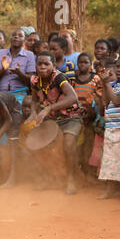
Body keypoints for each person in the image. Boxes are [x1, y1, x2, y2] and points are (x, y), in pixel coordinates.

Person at [31, 51, 83, 195]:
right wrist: (34, 114)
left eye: (46, 64)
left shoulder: (59, 77)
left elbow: (73, 97)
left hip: (71, 117)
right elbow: (34, 100)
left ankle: (71, 180)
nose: (42, 67)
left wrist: (48, 108)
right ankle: (50, 178)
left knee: (68, 144)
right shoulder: (35, 81)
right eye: (39, 64)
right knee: (36, 143)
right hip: (51, 119)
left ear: (53, 66)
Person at [97, 54, 120, 199]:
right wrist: (105, 84)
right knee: (109, 159)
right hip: (111, 127)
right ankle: (110, 188)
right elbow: (107, 102)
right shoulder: (114, 84)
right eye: (118, 66)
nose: (119, 69)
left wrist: (106, 83)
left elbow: (117, 101)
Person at [73, 53, 102, 181]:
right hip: (77, 116)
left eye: (86, 62)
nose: (82, 65)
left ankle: (89, 172)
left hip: (91, 116)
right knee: (78, 145)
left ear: (91, 65)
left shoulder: (95, 78)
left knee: (89, 145)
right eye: (80, 62)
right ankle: (80, 172)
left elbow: (98, 95)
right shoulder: (73, 79)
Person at [0, 28, 36, 105]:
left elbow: (32, 79)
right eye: (13, 35)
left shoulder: (29, 55)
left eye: (20, 36)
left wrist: (19, 73)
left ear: (24, 40)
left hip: (20, 93)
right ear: (10, 38)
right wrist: (3, 70)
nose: (16, 37)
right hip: (1, 93)